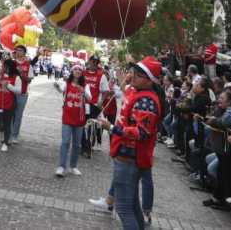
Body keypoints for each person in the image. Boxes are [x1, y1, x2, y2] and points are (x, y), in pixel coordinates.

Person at [96, 56, 162, 230]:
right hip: (128, 157)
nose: (133, 77)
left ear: (149, 80)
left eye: (138, 74)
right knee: (132, 205)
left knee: (124, 209)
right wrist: (124, 77)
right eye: (133, 73)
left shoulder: (146, 101)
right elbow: (126, 89)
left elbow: (142, 133)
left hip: (130, 159)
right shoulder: (139, 93)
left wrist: (111, 128)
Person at [54, 62, 90, 177]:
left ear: (82, 72)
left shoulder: (85, 85)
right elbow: (60, 89)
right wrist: (56, 84)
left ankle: (73, 166)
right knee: (65, 142)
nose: (77, 71)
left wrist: (83, 91)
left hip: (79, 118)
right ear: (72, 72)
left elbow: (90, 98)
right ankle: (61, 166)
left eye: (80, 70)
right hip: (67, 116)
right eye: (75, 70)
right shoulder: (67, 84)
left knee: (76, 144)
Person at [0, 58, 20, 152]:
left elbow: (19, 91)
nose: (3, 67)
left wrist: (9, 86)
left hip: (9, 103)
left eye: (5, 66)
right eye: (3, 66)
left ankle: (5, 143)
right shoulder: (0, 75)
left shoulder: (16, 77)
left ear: (9, 67)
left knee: (7, 124)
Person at [11, 44, 32, 143]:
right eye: (17, 50)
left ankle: (14, 135)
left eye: (20, 50)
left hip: (23, 93)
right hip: (10, 92)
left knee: (18, 115)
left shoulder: (28, 65)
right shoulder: (11, 63)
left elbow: (29, 80)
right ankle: (8, 134)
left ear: (24, 52)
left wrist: (21, 73)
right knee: (10, 114)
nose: (18, 52)